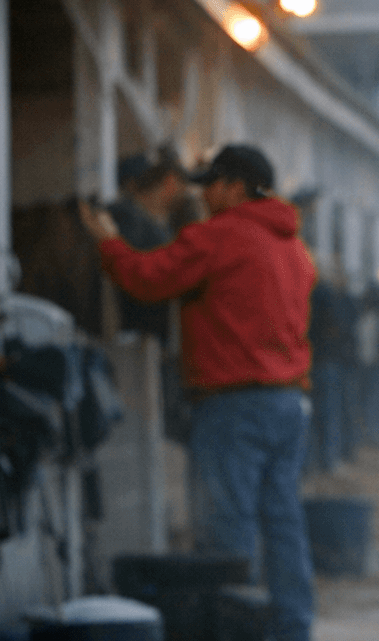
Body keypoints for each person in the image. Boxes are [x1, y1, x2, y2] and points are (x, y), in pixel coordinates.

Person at [82, 143, 316, 641]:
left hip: (232, 405)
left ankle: (234, 631)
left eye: (210, 184)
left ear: (234, 186)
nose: (203, 195)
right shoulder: (293, 247)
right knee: (283, 525)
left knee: (226, 531)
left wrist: (108, 242)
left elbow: (149, 280)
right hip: (287, 402)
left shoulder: (220, 237)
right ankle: (291, 629)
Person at [106, 147, 190, 342]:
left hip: (140, 341)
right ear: (170, 182)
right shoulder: (129, 220)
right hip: (134, 340)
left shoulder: (145, 222)